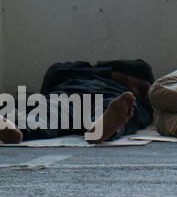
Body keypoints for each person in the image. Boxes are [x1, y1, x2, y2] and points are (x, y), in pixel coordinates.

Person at [0, 60, 153, 145]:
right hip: (70, 93)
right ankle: (13, 129)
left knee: (48, 113)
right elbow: (53, 73)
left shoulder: (139, 70)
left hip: (111, 95)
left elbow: (149, 94)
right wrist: (119, 77)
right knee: (48, 112)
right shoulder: (65, 71)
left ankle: (100, 128)